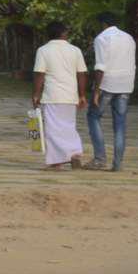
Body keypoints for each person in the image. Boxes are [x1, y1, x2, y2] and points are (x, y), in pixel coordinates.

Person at [32, 27, 88, 168]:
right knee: (69, 126)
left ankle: (57, 161)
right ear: (64, 33)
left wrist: (36, 94)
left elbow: (40, 74)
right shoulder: (75, 50)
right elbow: (81, 74)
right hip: (70, 96)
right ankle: (74, 153)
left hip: (53, 95)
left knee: (52, 129)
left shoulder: (43, 50)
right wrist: (82, 95)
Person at [87, 16, 138, 171]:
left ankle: (100, 158)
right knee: (120, 124)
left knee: (93, 116)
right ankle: (118, 163)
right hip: (125, 84)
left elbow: (100, 67)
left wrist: (96, 90)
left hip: (107, 84)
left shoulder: (102, 38)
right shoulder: (129, 38)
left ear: (103, 23)